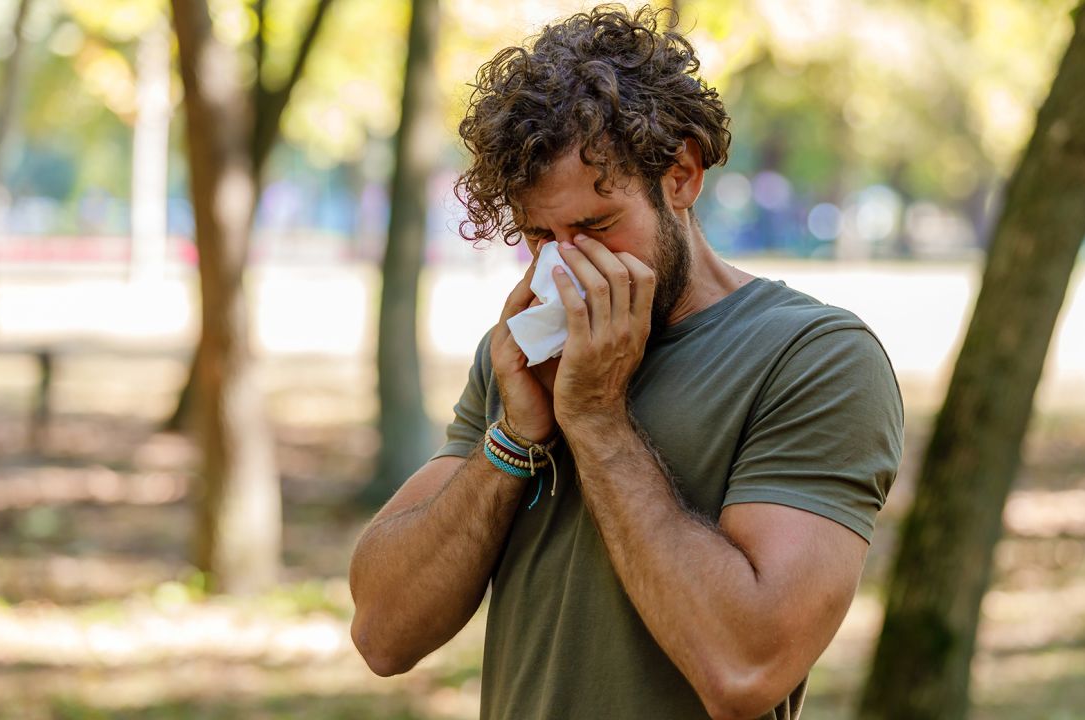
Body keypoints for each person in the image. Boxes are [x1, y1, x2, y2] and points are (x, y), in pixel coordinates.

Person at [348, 5, 903, 719]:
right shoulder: (530, 351)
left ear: (682, 174)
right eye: (541, 236)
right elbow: (381, 633)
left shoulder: (813, 360)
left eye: (596, 227)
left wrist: (596, 418)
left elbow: (745, 668)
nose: (568, 266)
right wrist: (514, 440)